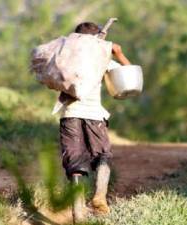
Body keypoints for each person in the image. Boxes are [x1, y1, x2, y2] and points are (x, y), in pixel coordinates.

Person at [57, 22, 131, 221]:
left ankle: (78, 210)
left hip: (69, 114)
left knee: (74, 162)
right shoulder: (101, 58)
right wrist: (118, 53)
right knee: (103, 155)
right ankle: (99, 196)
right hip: (94, 115)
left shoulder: (66, 57)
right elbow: (131, 75)